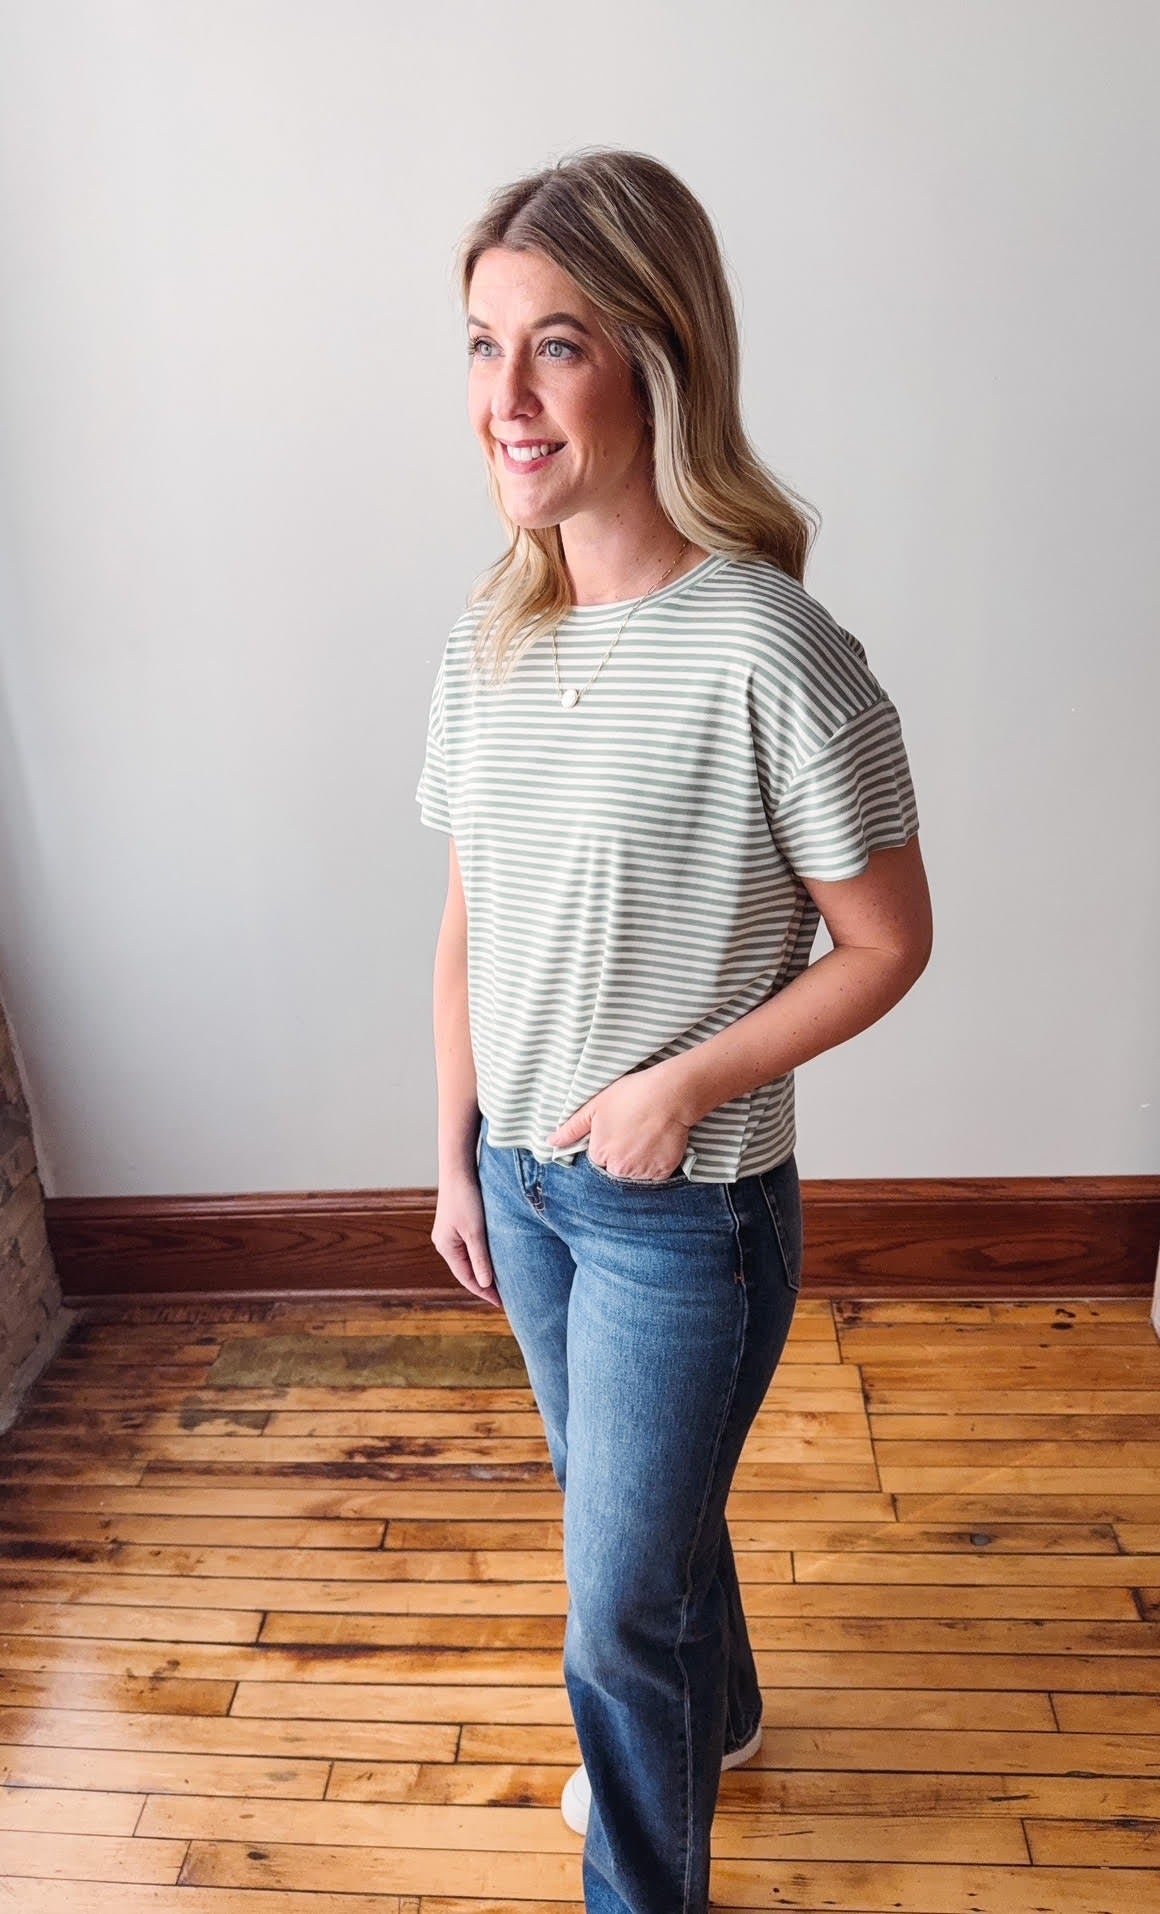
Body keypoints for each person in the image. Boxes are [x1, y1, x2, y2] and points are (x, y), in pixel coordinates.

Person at [415, 146, 933, 1914]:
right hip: (531, 1186)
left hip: (677, 1211)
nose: (508, 395)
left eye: (555, 345)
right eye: (482, 345)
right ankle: (722, 1711)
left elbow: (887, 941)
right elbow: (472, 922)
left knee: (610, 1595)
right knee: (633, 1503)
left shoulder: (771, 650)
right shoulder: (490, 637)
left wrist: (684, 1087)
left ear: (658, 355)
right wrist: (457, 1152)